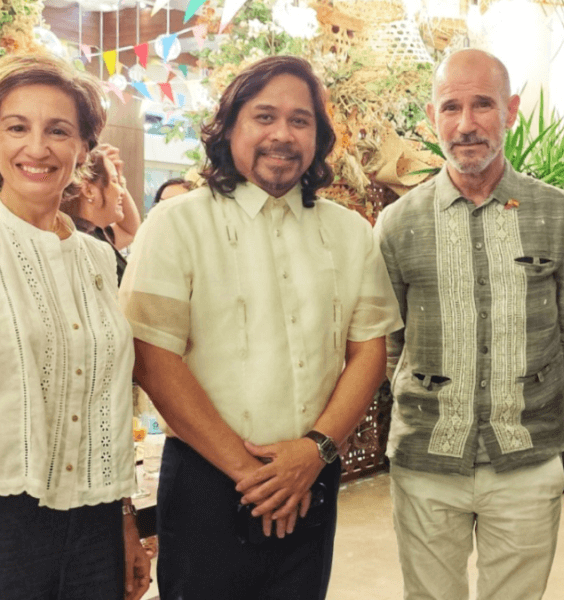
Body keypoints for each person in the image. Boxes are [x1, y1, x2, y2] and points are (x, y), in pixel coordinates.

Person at [119, 55, 402, 600]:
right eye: (264, 116)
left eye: (301, 121)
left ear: (318, 138)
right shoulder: (177, 224)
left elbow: (369, 348)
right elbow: (153, 356)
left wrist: (313, 451)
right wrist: (252, 473)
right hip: (206, 479)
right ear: (230, 127)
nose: (282, 135)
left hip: (311, 475)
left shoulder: (349, 232)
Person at [375, 48, 564, 600]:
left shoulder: (558, 213)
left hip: (528, 459)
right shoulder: (397, 224)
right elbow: (390, 345)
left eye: (482, 105)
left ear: (511, 110)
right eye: (451, 107)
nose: (466, 124)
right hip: (426, 463)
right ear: (432, 117)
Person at [0, 54, 150, 600]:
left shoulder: (98, 258)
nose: (36, 148)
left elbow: (106, 401)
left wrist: (125, 520)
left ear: (83, 149)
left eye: (58, 130)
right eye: (17, 127)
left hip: (94, 522)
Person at [61, 143, 141, 284]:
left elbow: (130, 230)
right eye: (115, 181)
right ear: (89, 190)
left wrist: (118, 177)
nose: (122, 190)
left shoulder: (95, 233)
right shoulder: (77, 242)